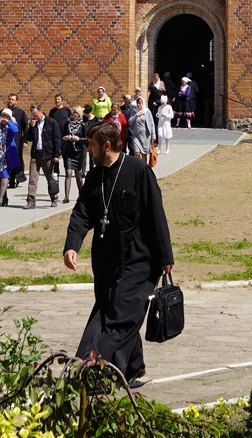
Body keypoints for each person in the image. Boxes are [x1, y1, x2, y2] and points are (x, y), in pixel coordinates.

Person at [63, 118, 174, 384]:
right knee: (110, 307)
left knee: (120, 315)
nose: (88, 149)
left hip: (138, 257)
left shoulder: (138, 171)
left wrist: (165, 256)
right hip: (106, 256)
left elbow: (155, 214)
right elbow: (82, 213)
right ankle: (133, 367)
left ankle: (93, 370)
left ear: (107, 145)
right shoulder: (95, 175)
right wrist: (71, 245)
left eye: (91, 144)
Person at [25, 106, 62, 207]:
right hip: (35, 154)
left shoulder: (51, 122)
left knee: (50, 178)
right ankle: (31, 201)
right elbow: (29, 138)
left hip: (48, 154)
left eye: (36, 115)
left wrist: (56, 155)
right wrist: (31, 127)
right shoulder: (34, 123)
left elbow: (57, 139)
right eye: (33, 115)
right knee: (33, 178)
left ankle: (54, 198)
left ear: (41, 111)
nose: (35, 117)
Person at [62, 106, 92, 204]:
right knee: (68, 173)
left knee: (78, 175)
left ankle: (81, 194)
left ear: (79, 115)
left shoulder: (83, 125)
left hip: (79, 152)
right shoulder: (67, 124)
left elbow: (87, 139)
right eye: (73, 113)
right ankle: (66, 196)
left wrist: (78, 139)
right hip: (69, 151)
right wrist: (66, 137)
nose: (74, 115)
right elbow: (62, 135)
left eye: (76, 113)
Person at [126, 97, 155, 163]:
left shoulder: (147, 111)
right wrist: (136, 115)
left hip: (145, 136)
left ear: (143, 103)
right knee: (137, 152)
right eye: (137, 103)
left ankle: (143, 169)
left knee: (144, 154)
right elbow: (130, 122)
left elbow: (151, 124)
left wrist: (153, 136)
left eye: (140, 103)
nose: (139, 105)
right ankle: (137, 167)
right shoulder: (134, 111)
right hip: (136, 136)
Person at [155, 92, 174, 159]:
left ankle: (167, 148)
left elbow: (171, 116)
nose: (163, 104)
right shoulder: (160, 107)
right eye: (162, 103)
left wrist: (165, 115)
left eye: (164, 103)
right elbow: (158, 113)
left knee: (167, 136)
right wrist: (158, 115)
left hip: (166, 123)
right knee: (160, 135)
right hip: (160, 122)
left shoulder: (168, 107)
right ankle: (159, 148)